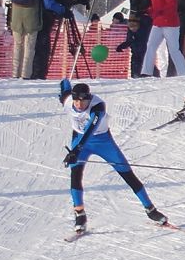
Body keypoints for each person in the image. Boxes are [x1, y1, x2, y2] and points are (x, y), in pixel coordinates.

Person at [57, 79, 169, 235]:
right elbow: (65, 91)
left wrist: (76, 150)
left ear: (89, 99)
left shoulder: (98, 106)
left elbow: (91, 129)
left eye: (83, 101)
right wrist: (64, 83)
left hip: (102, 141)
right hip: (80, 140)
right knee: (75, 175)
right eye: (76, 101)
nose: (79, 105)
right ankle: (80, 214)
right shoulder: (69, 101)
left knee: (127, 174)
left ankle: (150, 209)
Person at [7, 0, 52, 79]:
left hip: (16, 16)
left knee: (17, 46)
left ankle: (15, 74)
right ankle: (26, 75)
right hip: (32, 16)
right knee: (29, 48)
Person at [142, 0, 185, 78]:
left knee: (173, 49)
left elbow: (171, 5)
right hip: (157, 22)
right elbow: (155, 5)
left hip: (170, 24)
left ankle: (183, 72)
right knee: (151, 45)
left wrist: (157, 10)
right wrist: (150, 10)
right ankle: (146, 71)